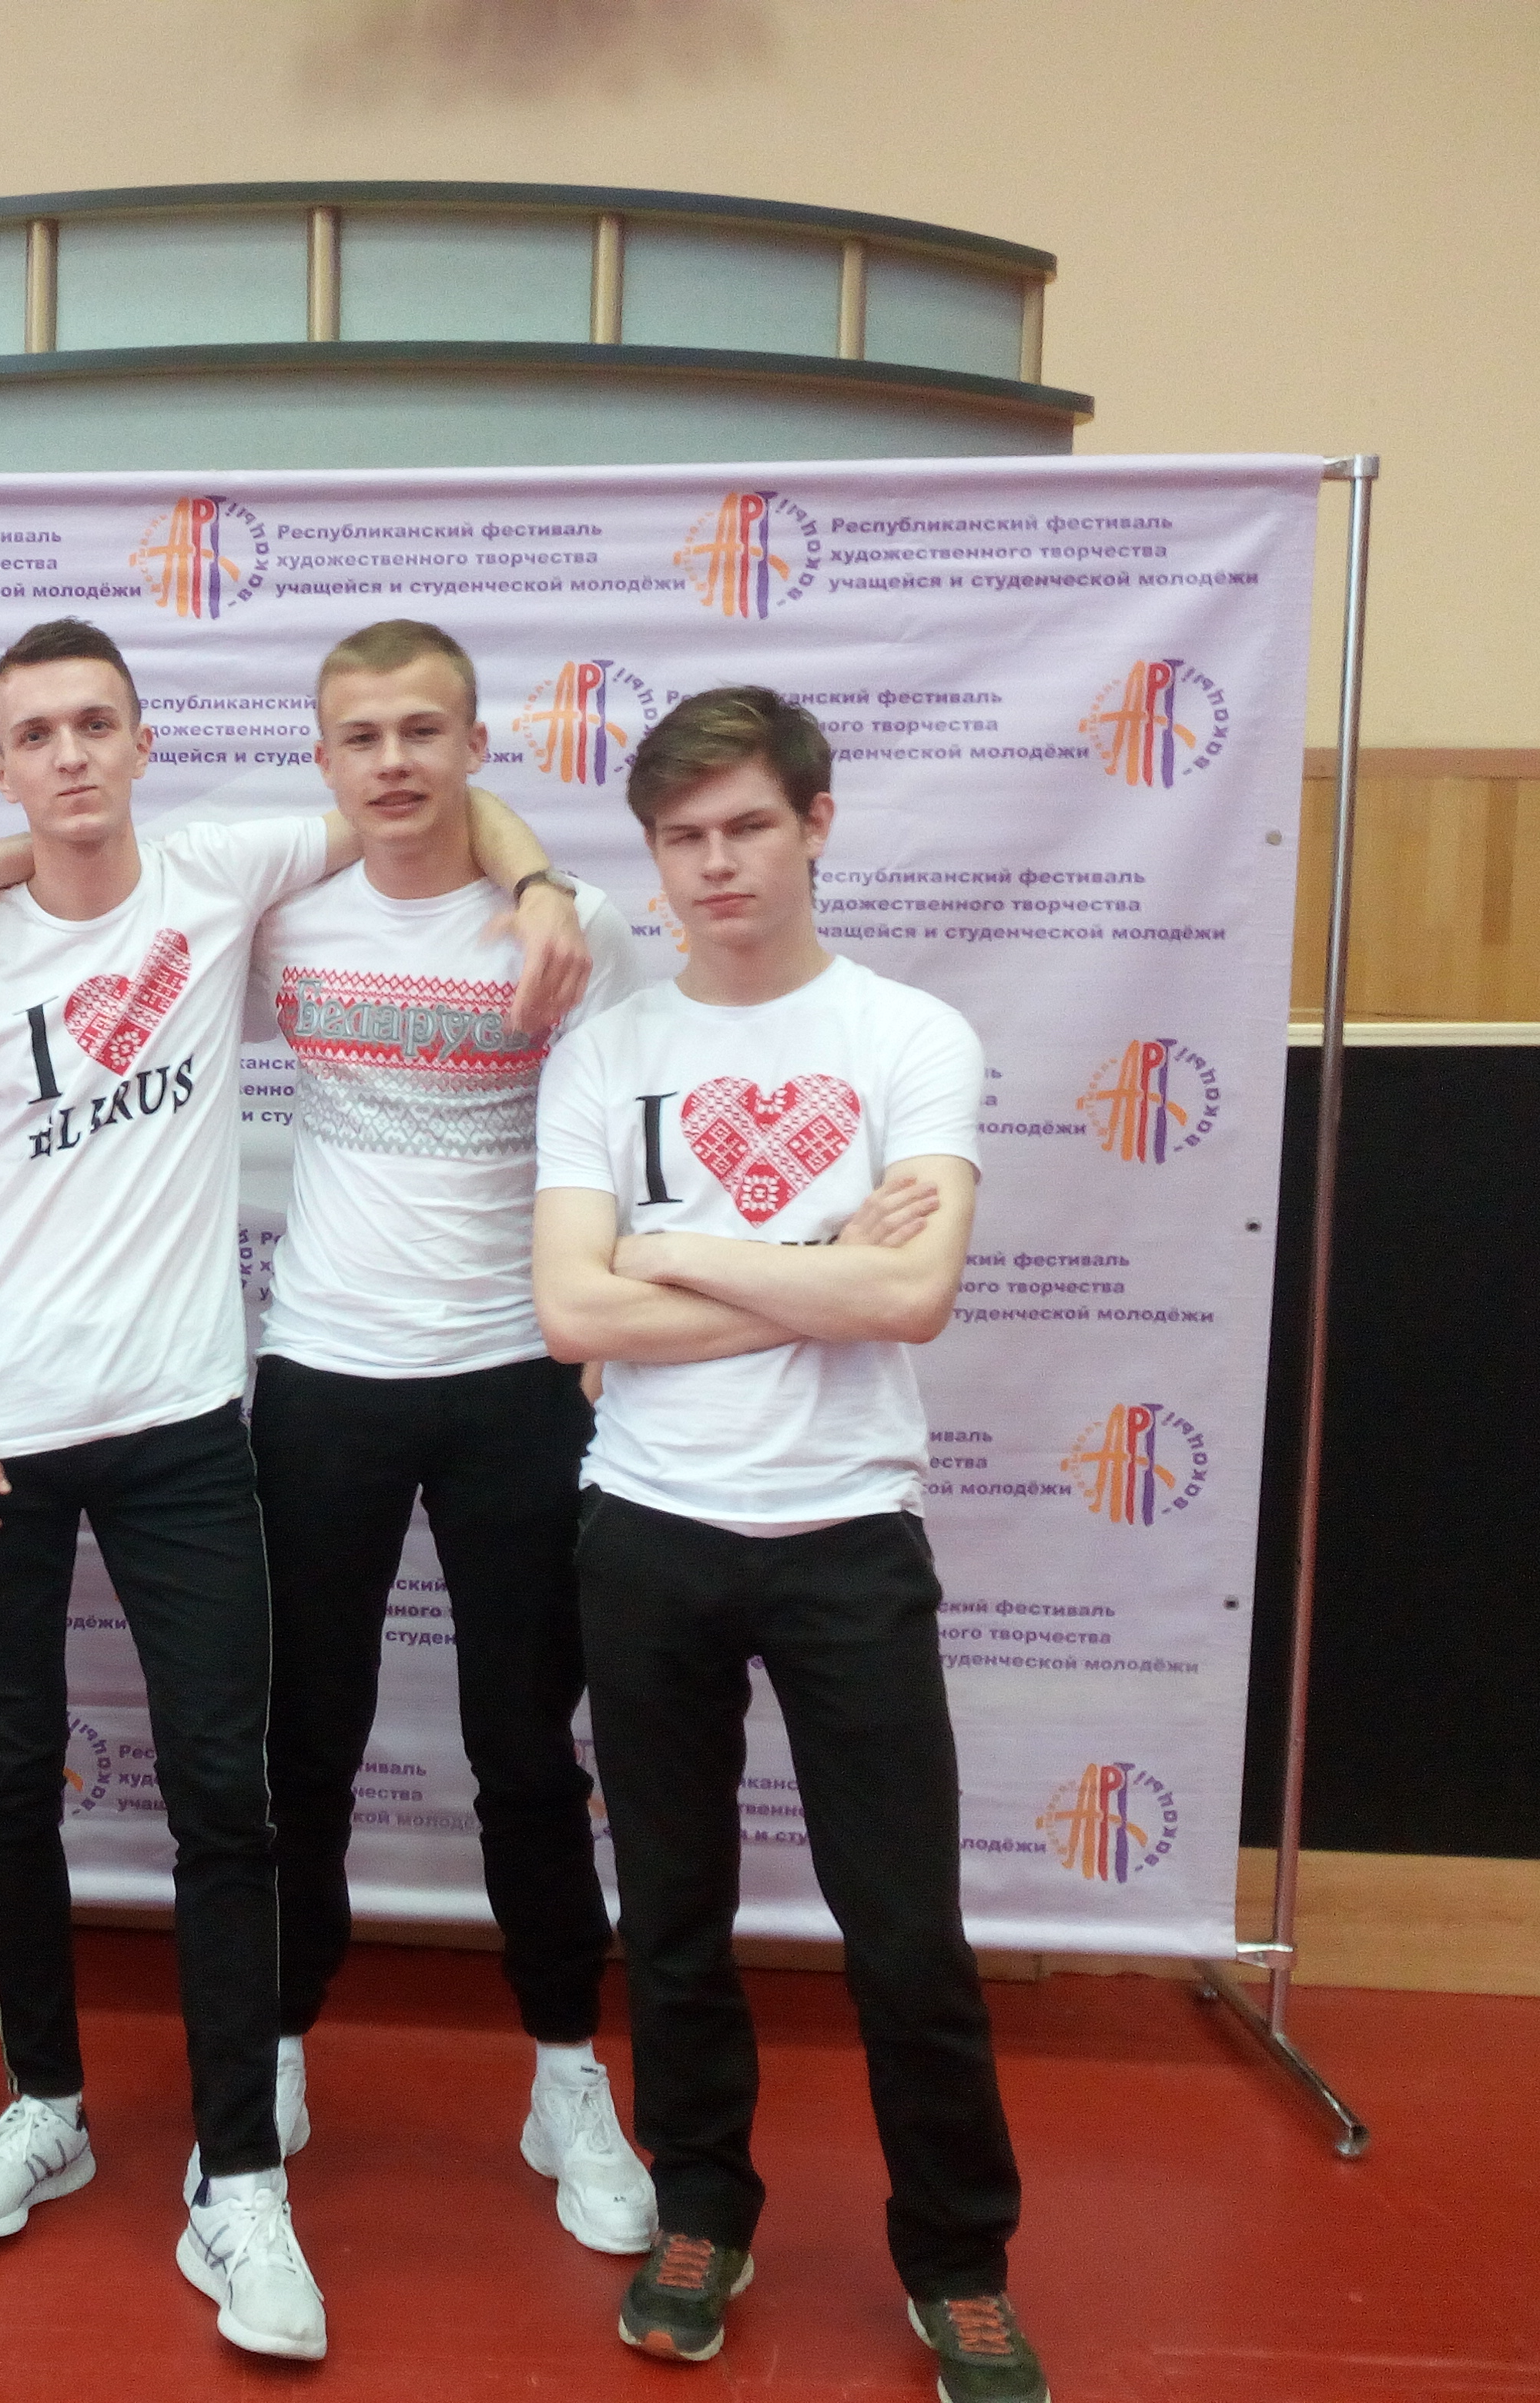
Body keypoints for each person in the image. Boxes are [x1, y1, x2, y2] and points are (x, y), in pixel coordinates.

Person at [0, 617, 588, 2364]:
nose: (69, 754)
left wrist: (543, 879)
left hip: (189, 1426)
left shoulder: (219, 873)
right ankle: (48, 2101)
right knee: (13, 1782)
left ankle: (239, 2176)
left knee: (226, 1801)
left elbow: (435, 807)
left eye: (94, 723)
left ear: (143, 738)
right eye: (35, 733)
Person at [531, 686, 1047, 2401]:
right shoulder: (607, 1052)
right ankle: (700, 2210)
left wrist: (672, 1252)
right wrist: (817, 1259)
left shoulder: (909, 1037)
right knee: (672, 1913)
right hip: (648, 1532)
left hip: (847, 1541)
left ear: (815, 824)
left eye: (748, 825)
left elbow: (912, 1296)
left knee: (904, 1932)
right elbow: (568, 1313)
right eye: (683, 837)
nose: (717, 864)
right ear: (653, 857)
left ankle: (958, 2262)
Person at [244, 618, 658, 2252]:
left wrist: (539, 880)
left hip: (516, 1378)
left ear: (479, 748)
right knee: (303, 1740)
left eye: (425, 730)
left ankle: (566, 2073)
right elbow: (94, 881)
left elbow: (645, 1135)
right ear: (324, 761)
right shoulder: (279, 916)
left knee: (524, 1749)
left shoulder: (576, 930)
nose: (394, 760)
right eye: (361, 736)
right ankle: (275, 2045)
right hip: (325, 1375)